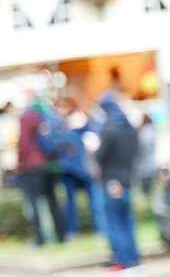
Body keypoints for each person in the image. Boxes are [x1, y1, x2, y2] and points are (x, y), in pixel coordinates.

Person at [95, 94, 140, 272]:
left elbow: (101, 156)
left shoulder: (109, 130)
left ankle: (123, 261)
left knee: (115, 221)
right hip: (127, 179)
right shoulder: (130, 129)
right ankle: (134, 259)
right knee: (127, 221)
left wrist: (93, 149)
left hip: (112, 181)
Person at [16, 94, 66, 246]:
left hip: (33, 166)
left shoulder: (28, 117)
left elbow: (23, 143)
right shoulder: (50, 114)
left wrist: (20, 163)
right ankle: (60, 235)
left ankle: (40, 238)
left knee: (34, 203)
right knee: (53, 201)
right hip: (52, 165)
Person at [54, 96, 106, 236]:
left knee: (95, 201)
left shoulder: (88, 129)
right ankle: (72, 230)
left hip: (86, 171)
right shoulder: (64, 129)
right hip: (71, 171)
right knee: (71, 203)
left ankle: (100, 228)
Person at [135, 112, 158, 200]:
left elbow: (142, 149)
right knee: (150, 190)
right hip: (151, 164)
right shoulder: (152, 131)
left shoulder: (144, 133)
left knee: (146, 191)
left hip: (145, 166)